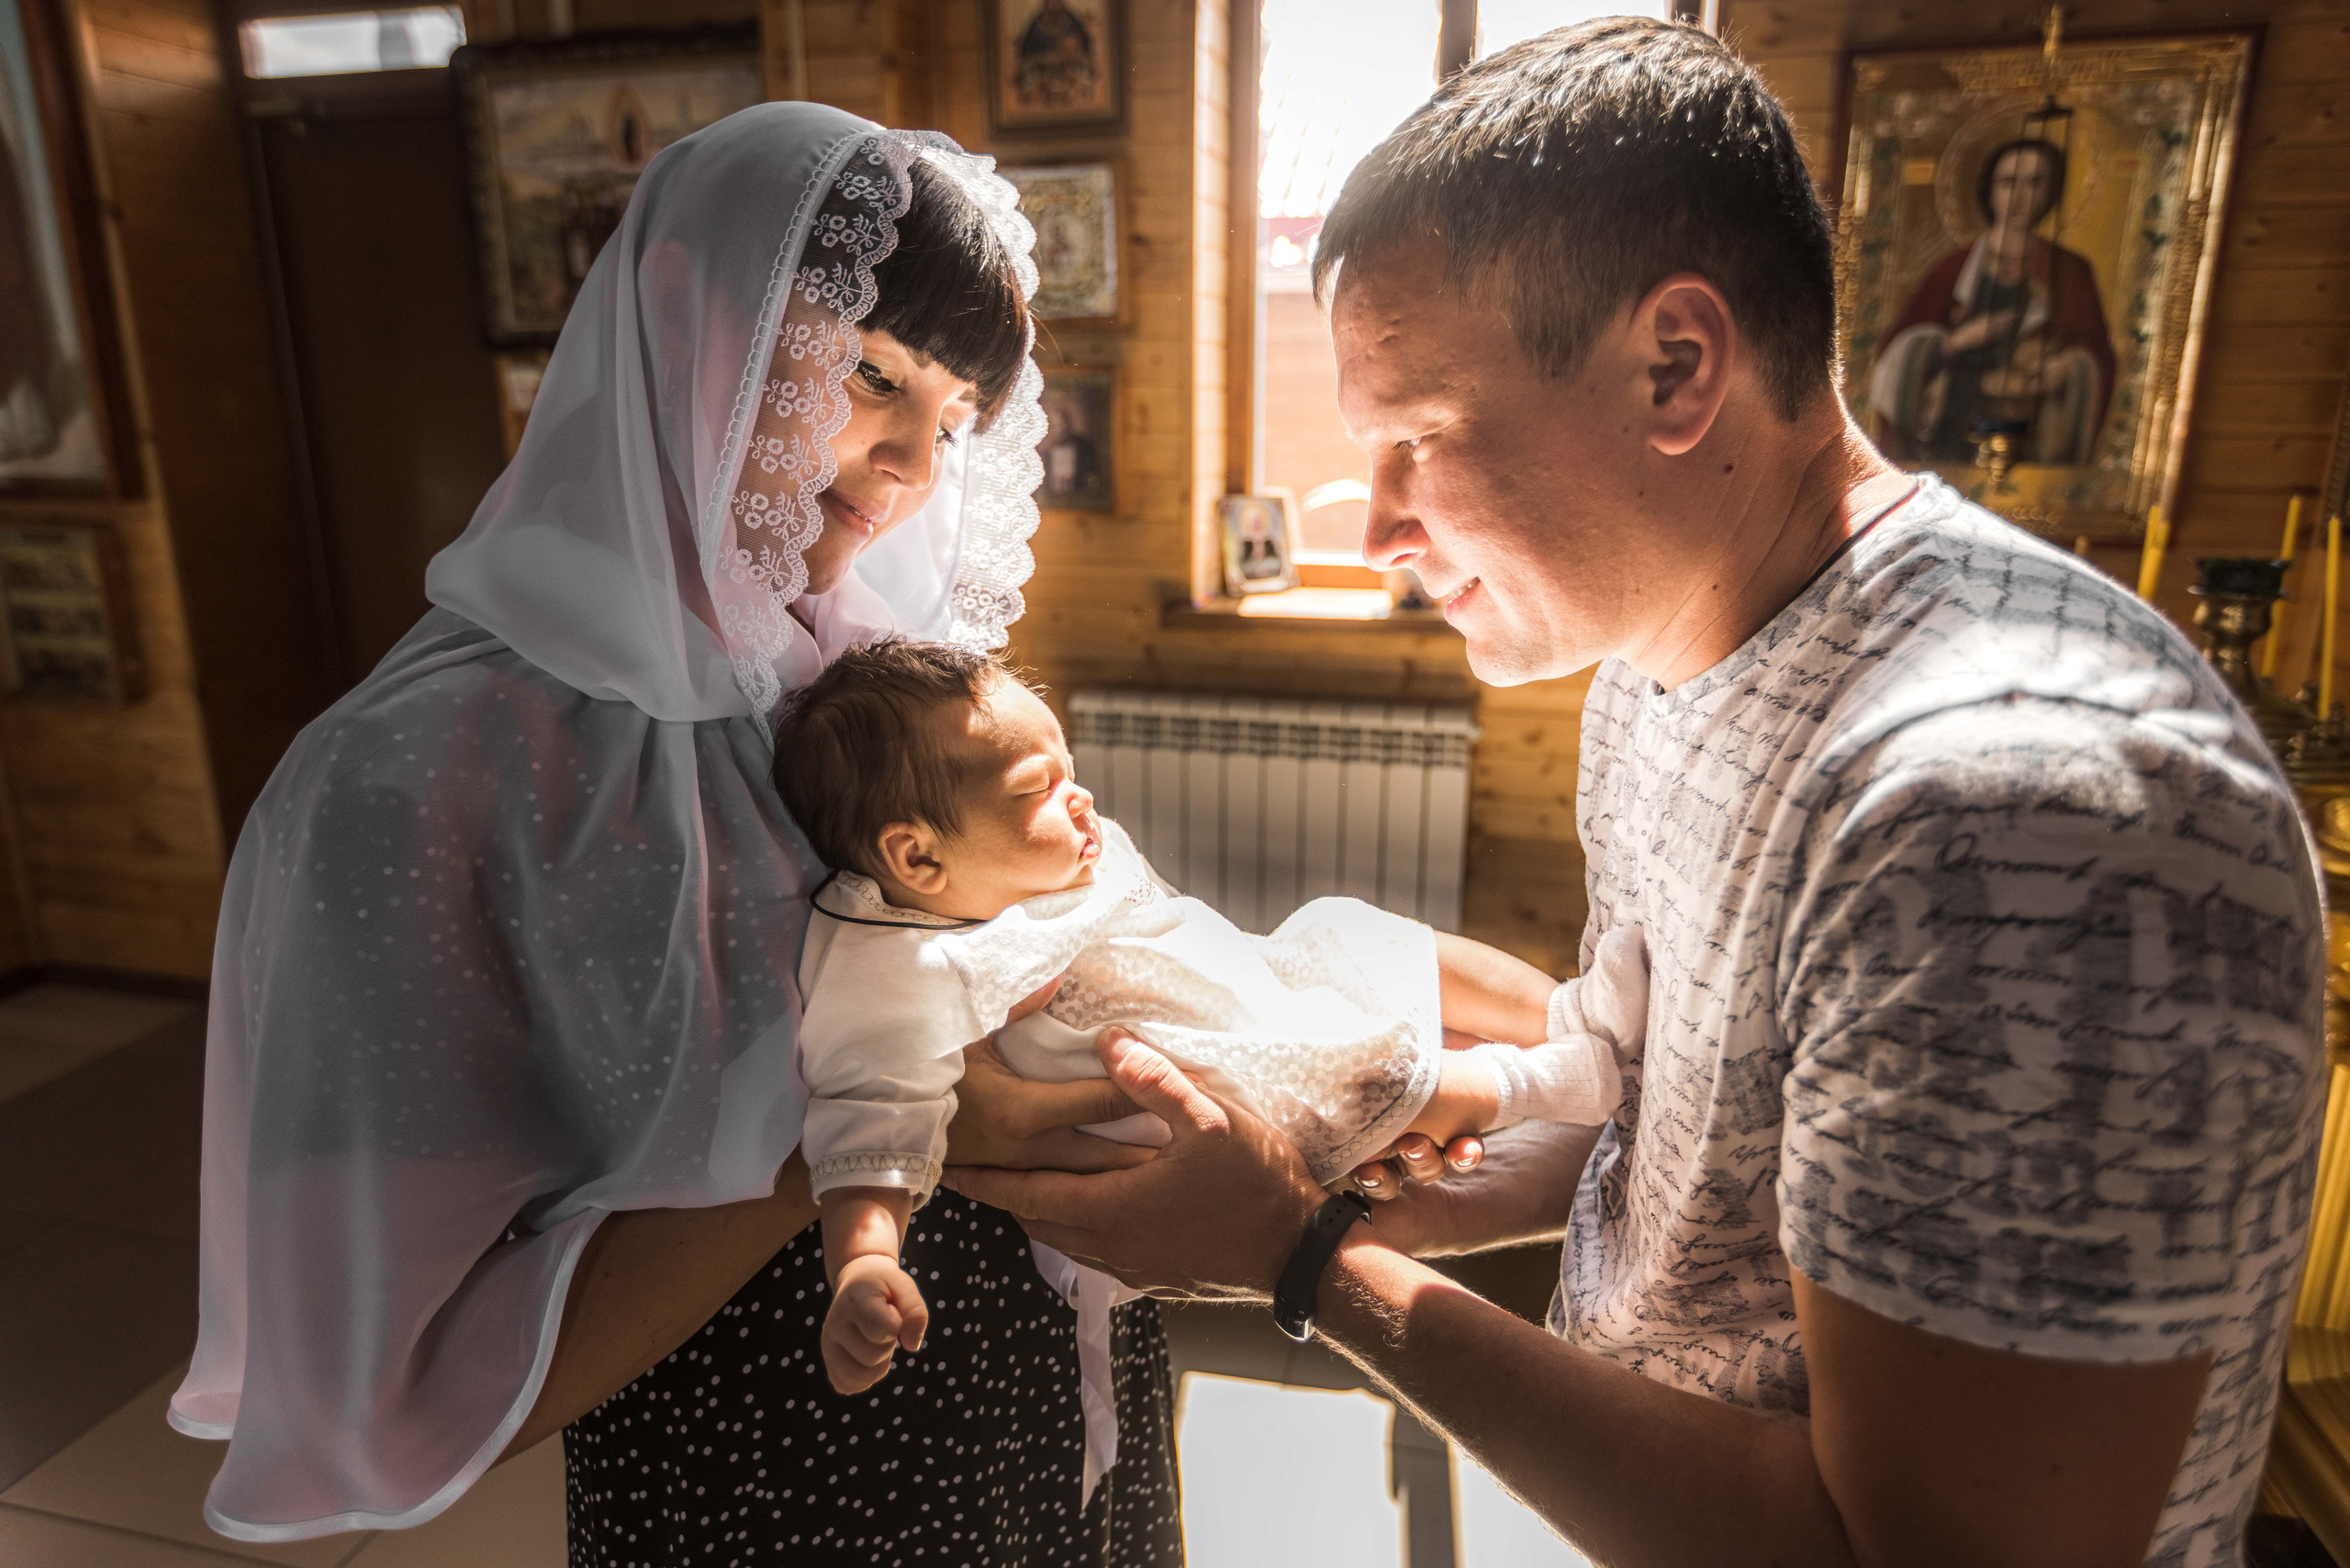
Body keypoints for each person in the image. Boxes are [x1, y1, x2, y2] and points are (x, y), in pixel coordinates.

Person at [950, 20, 2325, 1568]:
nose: (1379, 521)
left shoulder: (2021, 816)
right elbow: (1668, 1137)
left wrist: (1301, 1256)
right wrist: (1321, 1158)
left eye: (1416, 438)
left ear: (1675, 365)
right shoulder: (1659, 655)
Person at [171, 104, 1185, 1565]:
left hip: (1049, 1415)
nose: (905, 460)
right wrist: (883, 1140)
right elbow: (386, 1377)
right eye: (872, 371)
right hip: (783, 1483)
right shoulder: (411, 780)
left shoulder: (862, 677)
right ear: (686, 326)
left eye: (951, 419)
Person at [770, 638, 1643, 1479]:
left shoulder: (1046, 856)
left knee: (1347, 929)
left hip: (1248, 983)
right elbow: (872, 1121)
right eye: (1040, 787)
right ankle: (1546, 1082)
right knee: (1351, 1070)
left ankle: (1572, 1011)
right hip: (1210, 1082)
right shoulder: (897, 968)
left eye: (1068, 767)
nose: (1079, 799)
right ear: (916, 855)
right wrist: (867, 1260)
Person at [1869, 137, 2117, 466]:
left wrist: (2066, 369)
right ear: (1990, 189)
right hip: (1954, 419)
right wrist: (1955, 342)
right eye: (2008, 182)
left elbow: (2096, 355)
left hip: (2030, 424)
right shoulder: (1953, 268)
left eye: (2034, 183)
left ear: (2051, 192)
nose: (2020, 197)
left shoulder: (2070, 272)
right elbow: (1896, 352)